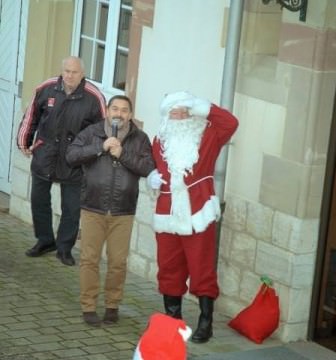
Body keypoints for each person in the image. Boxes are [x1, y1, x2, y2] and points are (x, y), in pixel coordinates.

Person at [147, 91, 238, 343]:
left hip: (198, 212)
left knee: (202, 269)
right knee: (168, 268)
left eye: (184, 110)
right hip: (167, 213)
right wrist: (150, 179)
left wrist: (202, 107)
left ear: (193, 112)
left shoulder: (208, 135)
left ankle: (205, 323)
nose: (179, 115)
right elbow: (154, 168)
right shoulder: (160, 140)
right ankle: (173, 321)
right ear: (167, 115)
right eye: (173, 112)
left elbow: (231, 123)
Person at [65, 95, 155, 326]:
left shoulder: (140, 138)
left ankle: (112, 305)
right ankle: (88, 306)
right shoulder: (92, 133)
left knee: (117, 262)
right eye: (115, 108)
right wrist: (100, 147)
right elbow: (71, 156)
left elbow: (147, 168)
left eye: (124, 110)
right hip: (93, 207)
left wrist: (122, 154)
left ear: (130, 115)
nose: (119, 113)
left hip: (122, 211)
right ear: (107, 111)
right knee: (89, 260)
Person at [16, 56, 106, 266]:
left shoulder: (94, 97)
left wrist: (90, 156)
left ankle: (64, 248)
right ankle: (45, 240)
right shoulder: (46, 88)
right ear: (61, 70)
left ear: (82, 74)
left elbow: (103, 130)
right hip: (44, 154)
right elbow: (31, 117)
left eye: (74, 72)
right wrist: (24, 142)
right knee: (39, 200)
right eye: (66, 71)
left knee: (71, 207)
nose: (69, 76)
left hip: (74, 161)